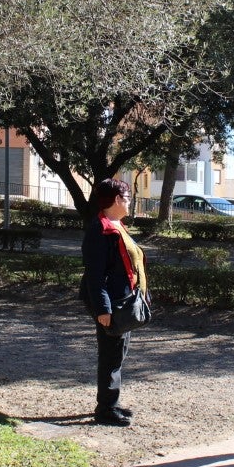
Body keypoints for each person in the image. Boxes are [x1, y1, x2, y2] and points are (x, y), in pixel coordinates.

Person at [79, 178, 147, 427]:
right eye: (127, 198)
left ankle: (111, 402)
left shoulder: (116, 225)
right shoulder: (100, 229)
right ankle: (106, 409)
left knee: (118, 353)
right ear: (117, 199)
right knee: (110, 355)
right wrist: (103, 309)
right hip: (112, 305)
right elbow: (95, 275)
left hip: (123, 301)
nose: (129, 202)